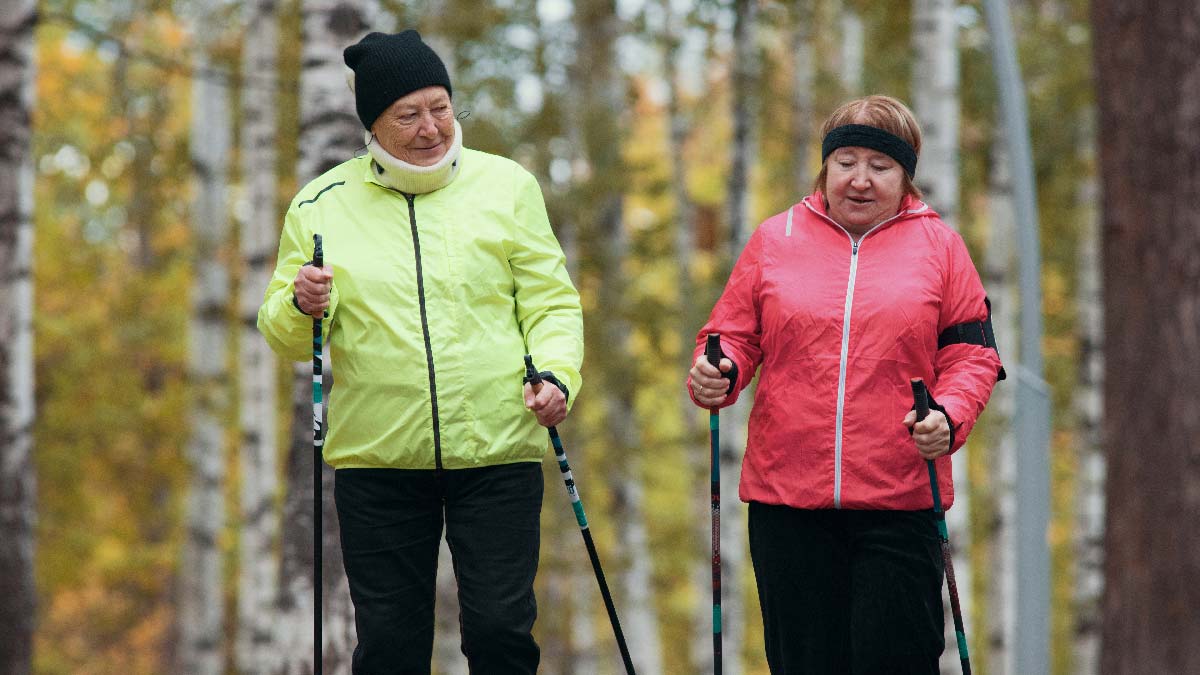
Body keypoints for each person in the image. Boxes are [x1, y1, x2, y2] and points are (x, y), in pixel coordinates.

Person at [257, 30, 584, 674]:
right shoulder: (321, 205)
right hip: (379, 462)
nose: (432, 127)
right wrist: (301, 303)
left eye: (441, 106)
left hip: (497, 450)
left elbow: (551, 303)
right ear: (373, 126)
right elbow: (285, 334)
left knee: (500, 635)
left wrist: (556, 375)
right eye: (409, 113)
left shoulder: (507, 187)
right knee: (389, 647)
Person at [688, 95, 1004, 674]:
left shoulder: (941, 248)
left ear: (905, 176)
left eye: (879, 167)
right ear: (825, 167)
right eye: (846, 162)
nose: (860, 180)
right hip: (789, 504)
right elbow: (732, 335)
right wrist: (720, 370)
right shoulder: (775, 239)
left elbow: (973, 356)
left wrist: (949, 416)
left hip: (899, 499)